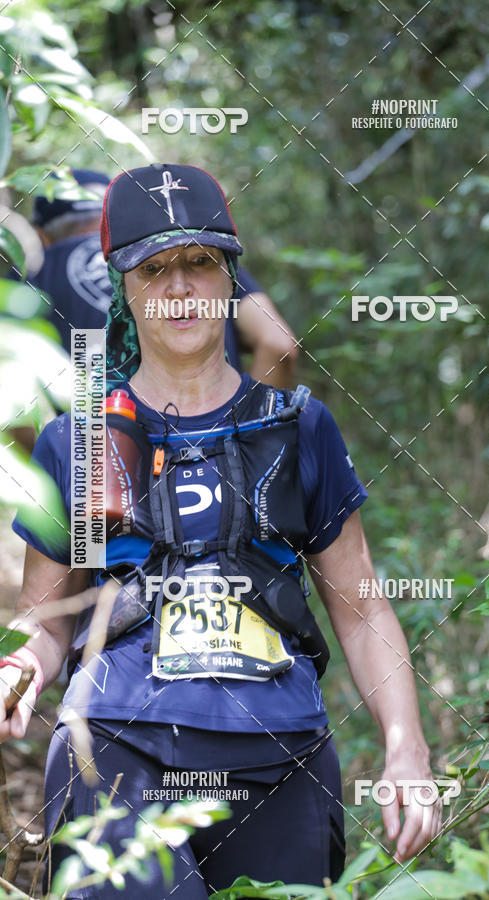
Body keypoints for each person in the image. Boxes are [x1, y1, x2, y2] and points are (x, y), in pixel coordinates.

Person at [1, 164, 441, 897]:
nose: (179, 288)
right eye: (155, 267)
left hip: (283, 756)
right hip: (114, 747)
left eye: (200, 264)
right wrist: (21, 666)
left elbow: (361, 610)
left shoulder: (297, 427)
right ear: (124, 283)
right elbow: (46, 623)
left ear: (231, 277)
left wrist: (408, 752)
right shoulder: (81, 443)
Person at [25, 168, 298, 388]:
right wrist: (257, 436)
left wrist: (52, 452)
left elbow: (15, 390)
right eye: (151, 269)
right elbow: (278, 344)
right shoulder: (205, 258)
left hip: (91, 448)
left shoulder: (35, 274)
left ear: (40, 236)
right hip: (218, 443)